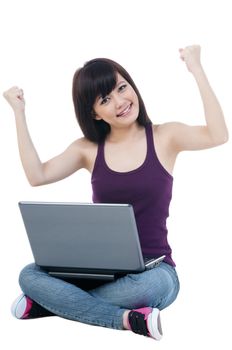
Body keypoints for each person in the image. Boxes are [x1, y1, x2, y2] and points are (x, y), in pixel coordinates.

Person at [3, 45, 228, 340]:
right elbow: (37, 175)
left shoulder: (164, 136)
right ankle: (127, 319)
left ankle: (50, 304)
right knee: (29, 274)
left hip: (155, 272)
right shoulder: (87, 149)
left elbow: (218, 134)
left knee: (151, 289)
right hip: (99, 271)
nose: (120, 102)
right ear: (94, 113)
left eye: (122, 87)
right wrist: (18, 113)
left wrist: (196, 69)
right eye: (105, 99)